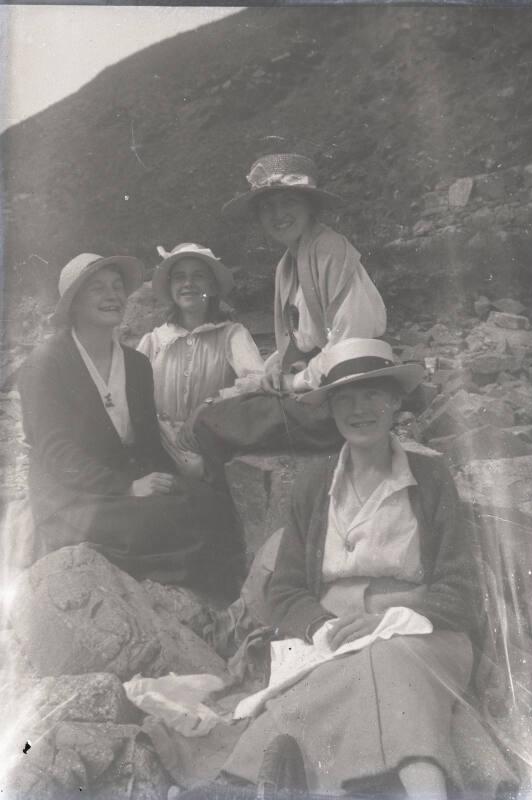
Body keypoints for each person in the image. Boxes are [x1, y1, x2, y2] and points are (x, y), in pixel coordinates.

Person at [221, 338, 479, 798]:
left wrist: (389, 621)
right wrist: (323, 626)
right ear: (331, 409)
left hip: (421, 632)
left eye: (372, 395)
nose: (359, 410)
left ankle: (425, 789)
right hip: (334, 636)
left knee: (388, 659)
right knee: (329, 684)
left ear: (396, 402)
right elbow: (285, 590)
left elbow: (460, 586)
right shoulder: (313, 483)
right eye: (345, 399)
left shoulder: (431, 477)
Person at [18, 252, 240, 592]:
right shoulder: (46, 364)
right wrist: (125, 488)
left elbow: (148, 442)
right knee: (165, 524)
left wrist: (177, 479)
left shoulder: (136, 364)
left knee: (209, 504)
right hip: (71, 496)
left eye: (117, 286)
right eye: (97, 289)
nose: (112, 295)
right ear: (74, 303)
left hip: (123, 481)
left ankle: (223, 607)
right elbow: (55, 452)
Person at [192, 153, 388, 473]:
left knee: (211, 421)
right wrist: (277, 369)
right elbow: (299, 341)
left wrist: (293, 380)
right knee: (219, 410)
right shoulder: (288, 264)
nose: (278, 214)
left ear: (310, 206)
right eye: (267, 207)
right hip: (321, 386)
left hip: (352, 392)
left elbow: (351, 346)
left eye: (289, 202)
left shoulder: (330, 251)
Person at [137, 242, 264, 479]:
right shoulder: (154, 341)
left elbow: (257, 381)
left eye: (198, 276)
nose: (188, 284)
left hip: (212, 447)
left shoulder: (231, 334)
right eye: (179, 277)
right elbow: (132, 397)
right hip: (159, 451)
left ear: (213, 287)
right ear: (170, 288)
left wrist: (210, 404)